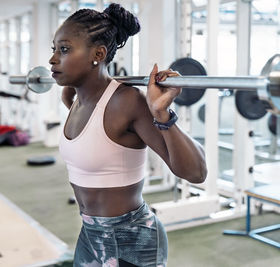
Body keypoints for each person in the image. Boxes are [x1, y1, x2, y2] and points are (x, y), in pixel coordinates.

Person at [49, 3, 207, 267]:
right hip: (90, 233)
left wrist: (161, 113)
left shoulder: (127, 103)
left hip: (130, 238)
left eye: (64, 49)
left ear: (97, 54)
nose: (53, 58)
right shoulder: (77, 99)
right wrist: (73, 94)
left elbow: (196, 173)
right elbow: (96, 137)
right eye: (53, 49)